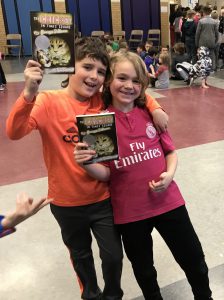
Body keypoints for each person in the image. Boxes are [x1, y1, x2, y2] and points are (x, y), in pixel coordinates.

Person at [6, 37, 168, 300]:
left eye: (101, 72)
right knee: (81, 257)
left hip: (102, 198)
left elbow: (133, 92)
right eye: (88, 67)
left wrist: (155, 106)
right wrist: (28, 92)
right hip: (66, 202)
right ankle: (91, 295)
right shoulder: (47, 102)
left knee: (114, 257)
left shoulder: (100, 103)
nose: (94, 76)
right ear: (71, 67)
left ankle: (113, 295)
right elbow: (14, 132)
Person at [74, 50, 213, 300]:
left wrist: (169, 175)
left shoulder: (151, 114)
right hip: (130, 212)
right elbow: (105, 174)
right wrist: (86, 163)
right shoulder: (99, 123)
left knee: (194, 259)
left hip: (169, 201)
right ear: (108, 81)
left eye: (136, 81)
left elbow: (170, 152)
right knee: (145, 271)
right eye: (122, 78)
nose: (129, 86)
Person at [195, 5, 219, 71]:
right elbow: (217, 33)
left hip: (202, 42)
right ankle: (211, 68)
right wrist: (216, 41)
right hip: (211, 41)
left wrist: (197, 43)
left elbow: (197, 33)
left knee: (202, 56)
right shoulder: (214, 22)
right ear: (210, 12)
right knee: (211, 55)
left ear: (203, 12)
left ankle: (203, 68)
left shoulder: (201, 21)